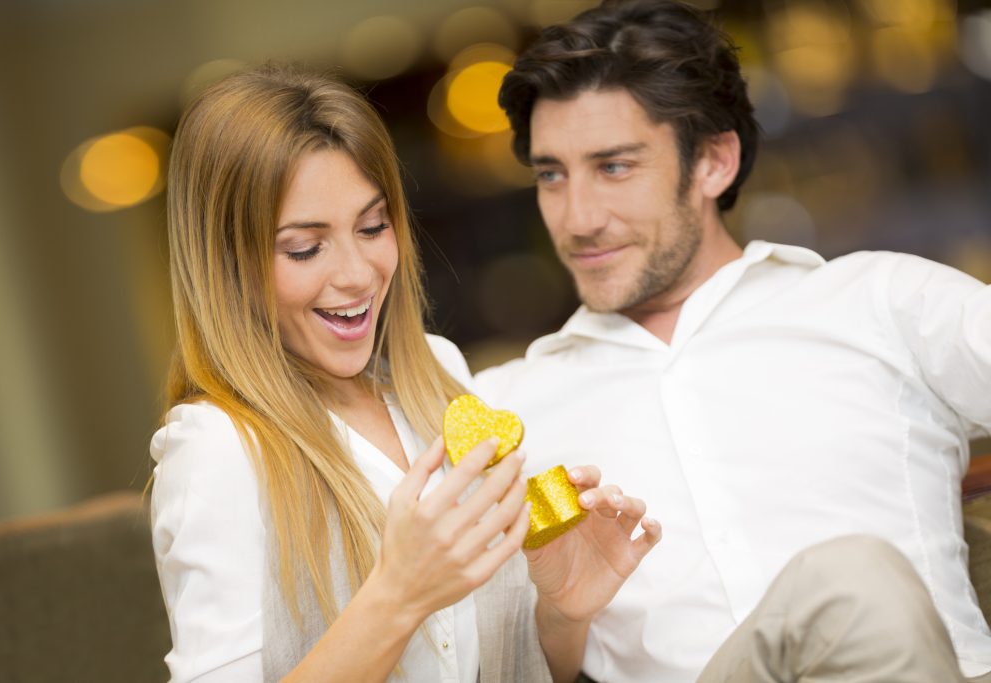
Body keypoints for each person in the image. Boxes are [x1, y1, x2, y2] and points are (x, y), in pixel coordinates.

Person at [475, 1, 991, 682]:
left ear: (714, 161)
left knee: (852, 578)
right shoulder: (502, 408)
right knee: (851, 573)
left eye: (615, 166)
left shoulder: (879, 302)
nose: (578, 217)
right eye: (551, 174)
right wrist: (559, 616)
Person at [149, 64, 660, 683]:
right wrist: (398, 595)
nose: (359, 274)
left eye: (372, 227)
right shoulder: (216, 450)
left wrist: (563, 612)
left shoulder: (438, 377)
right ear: (228, 266)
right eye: (306, 248)